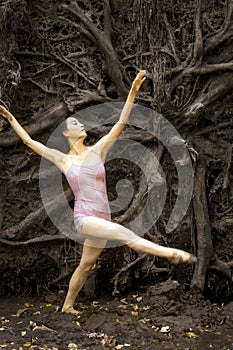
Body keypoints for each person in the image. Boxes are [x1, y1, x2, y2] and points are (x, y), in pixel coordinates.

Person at [0, 70, 196, 315]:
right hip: (85, 219)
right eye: (74, 123)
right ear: (65, 133)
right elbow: (30, 141)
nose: (81, 124)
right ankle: (172, 254)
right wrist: (9, 117)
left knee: (86, 264)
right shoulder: (62, 159)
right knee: (124, 234)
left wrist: (133, 91)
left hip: (103, 217)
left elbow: (121, 123)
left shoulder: (98, 150)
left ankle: (67, 306)